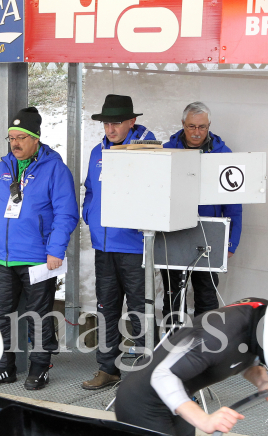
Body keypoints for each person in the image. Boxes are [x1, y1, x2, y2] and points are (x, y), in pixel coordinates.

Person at [115, 283, 268, 436]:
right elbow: (163, 376)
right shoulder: (216, 336)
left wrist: (263, 382)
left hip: (177, 401)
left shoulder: (260, 316)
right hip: (142, 404)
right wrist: (204, 420)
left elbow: (245, 355)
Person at [0, 106, 79, 390]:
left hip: (38, 259)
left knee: (39, 314)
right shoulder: (2, 168)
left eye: (21, 137)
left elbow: (66, 213)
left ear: (36, 138)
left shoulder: (55, 169)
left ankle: (39, 367)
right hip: (3, 258)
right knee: (1, 314)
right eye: (11, 138)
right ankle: (3, 367)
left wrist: (56, 250)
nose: (15, 143)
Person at [81, 94, 156, 390]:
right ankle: (108, 368)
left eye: (116, 123)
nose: (109, 129)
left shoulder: (148, 149)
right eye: (106, 123)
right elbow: (89, 190)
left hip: (135, 246)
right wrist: (90, 215)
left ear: (131, 122)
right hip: (104, 245)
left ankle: (141, 375)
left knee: (139, 310)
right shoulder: (96, 152)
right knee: (106, 308)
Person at [160, 102, 243, 329]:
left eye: (202, 127)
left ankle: (205, 352)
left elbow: (234, 203)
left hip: (209, 235)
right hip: (173, 234)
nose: (197, 132)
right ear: (183, 125)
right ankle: (173, 350)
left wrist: (231, 242)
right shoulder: (167, 150)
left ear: (209, 126)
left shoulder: (223, 155)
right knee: (173, 297)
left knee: (206, 296)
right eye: (191, 126)